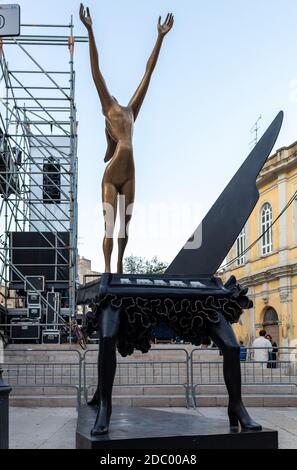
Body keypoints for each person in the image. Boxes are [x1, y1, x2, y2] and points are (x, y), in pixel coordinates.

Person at [80, 4, 174, 274]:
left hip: (130, 172)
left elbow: (148, 73)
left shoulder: (132, 110)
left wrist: (160, 38)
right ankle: (108, 269)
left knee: (125, 225)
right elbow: (95, 70)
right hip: (112, 174)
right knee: (110, 224)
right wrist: (91, 31)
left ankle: (120, 264)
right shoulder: (108, 108)